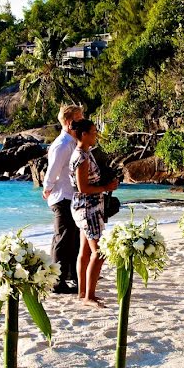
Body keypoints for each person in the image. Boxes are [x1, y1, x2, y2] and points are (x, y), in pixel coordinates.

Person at [69, 119, 119, 306]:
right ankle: (88, 295)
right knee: (99, 252)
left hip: (85, 207)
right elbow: (83, 187)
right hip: (88, 208)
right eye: (93, 131)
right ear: (83, 134)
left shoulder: (83, 153)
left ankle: (83, 293)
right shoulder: (81, 157)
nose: (96, 134)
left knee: (84, 251)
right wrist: (107, 187)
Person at [42, 105, 84, 294]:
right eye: (79, 118)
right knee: (62, 239)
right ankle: (56, 282)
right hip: (62, 196)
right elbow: (53, 171)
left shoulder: (72, 141)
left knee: (71, 238)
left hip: (71, 195)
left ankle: (69, 276)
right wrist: (47, 188)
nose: (82, 120)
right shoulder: (62, 144)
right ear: (69, 122)